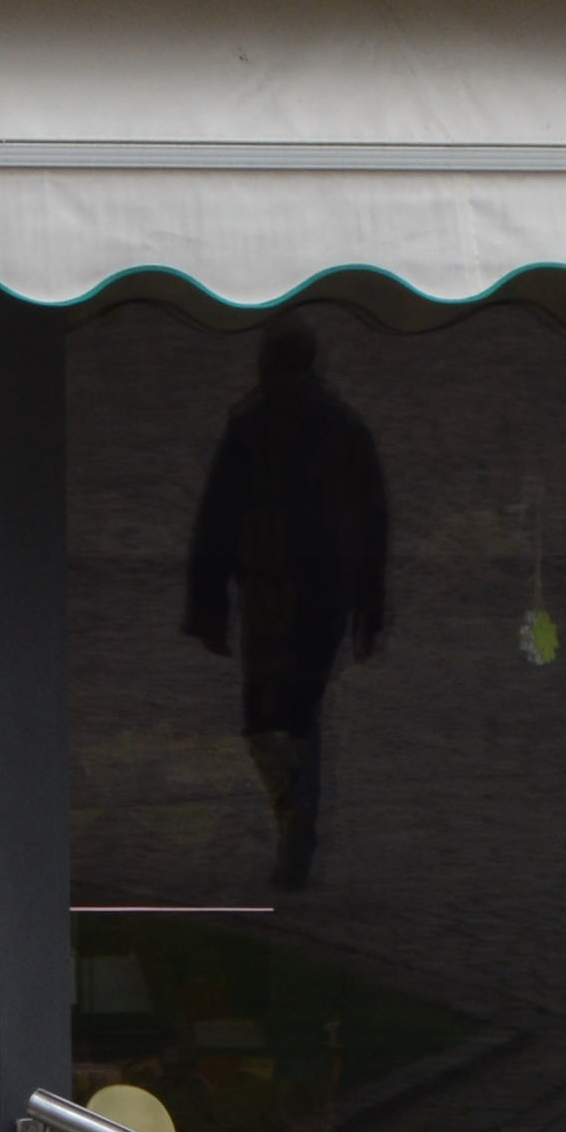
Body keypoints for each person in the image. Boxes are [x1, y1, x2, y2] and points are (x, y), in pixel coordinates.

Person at [181, 325, 391, 890]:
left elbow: (217, 522)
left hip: (271, 592)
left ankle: (294, 823)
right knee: (298, 713)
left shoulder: (253, 427)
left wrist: (208, 610)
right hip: (322, 592)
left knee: (266, 717)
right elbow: (372, 524)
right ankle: (298, 825)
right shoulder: (344, 428)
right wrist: (369, 610)